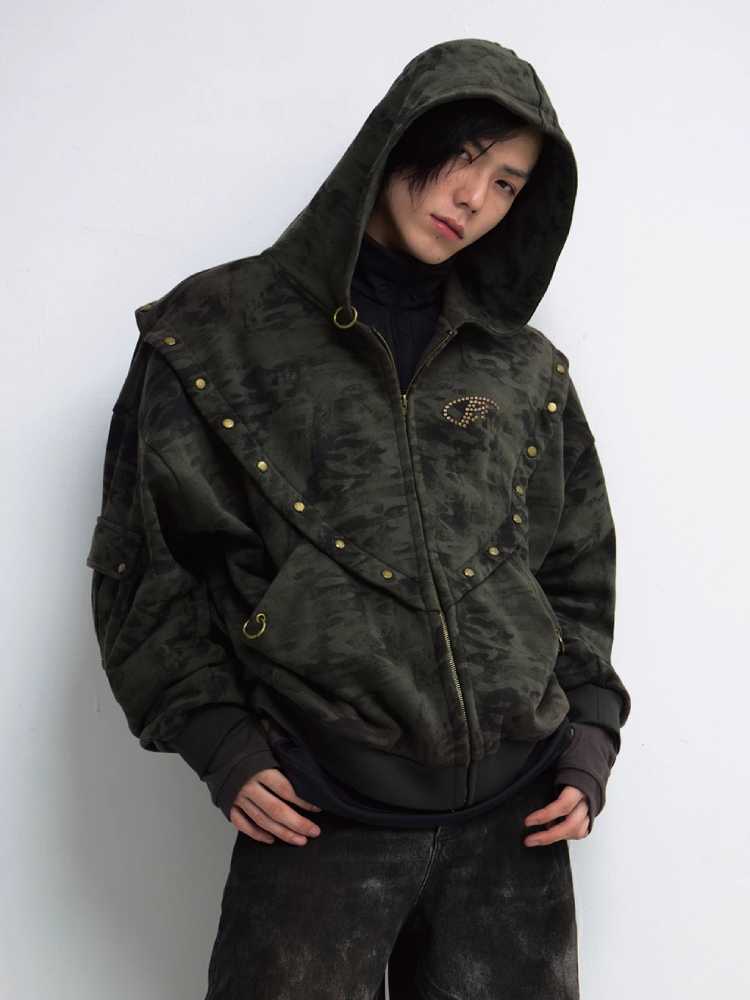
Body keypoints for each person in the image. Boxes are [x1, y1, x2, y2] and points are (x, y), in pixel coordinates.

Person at [86, 37, 631, 999]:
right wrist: (220, 742)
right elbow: (147, 564)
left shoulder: (522, 367)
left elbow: (575, 565)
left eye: (507, 184)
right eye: (463, 157)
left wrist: (589, 735)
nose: (473, 198)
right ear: (395, 139)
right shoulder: (217, 332)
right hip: (318, 812)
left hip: (517, 823)